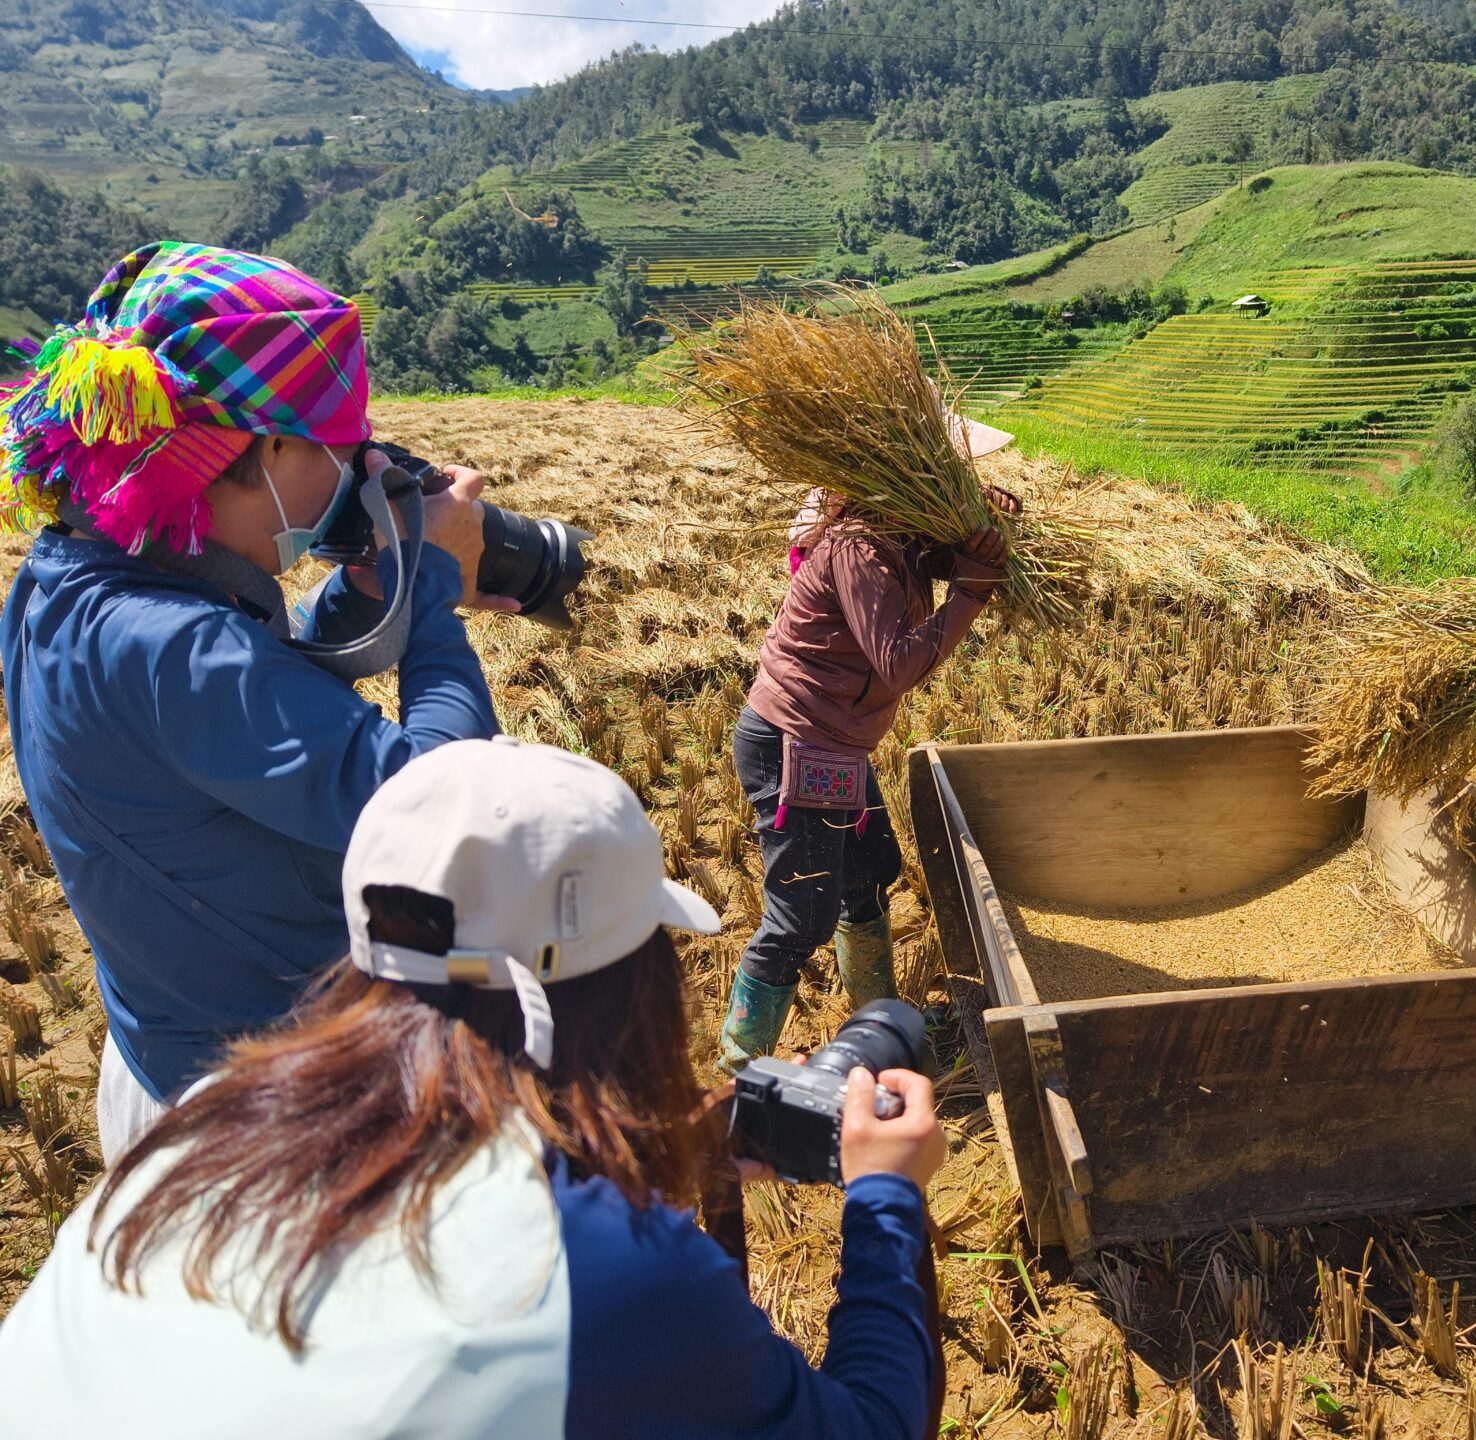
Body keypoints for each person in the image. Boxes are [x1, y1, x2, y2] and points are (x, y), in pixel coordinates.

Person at [0, 737, 948, 1439]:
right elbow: (873, 1424)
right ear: (626, 992)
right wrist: (886, 1199)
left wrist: (672, 1154)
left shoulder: (204, 1121)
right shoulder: (597, 1277)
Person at [0, 242, 502, 1161]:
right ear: (267, 444)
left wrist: (357, 600)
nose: (357, 472)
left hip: (169, 1066)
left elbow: (237, 705)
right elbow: (449, 808)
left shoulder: (62, 586)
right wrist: (429, 586)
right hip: (274, 1124)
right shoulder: (179, 648)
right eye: (344, 447)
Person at [721, 411, 1016, 1073]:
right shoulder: (861, 544)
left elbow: (938, 553)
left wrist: (987, 534)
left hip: (835, 746)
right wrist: (970, 590)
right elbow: (899, 662)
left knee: (870, 876)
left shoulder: (899, 526)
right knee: (801, 915)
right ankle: (740, 1067)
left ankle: (874, 1025)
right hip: (795, 742)